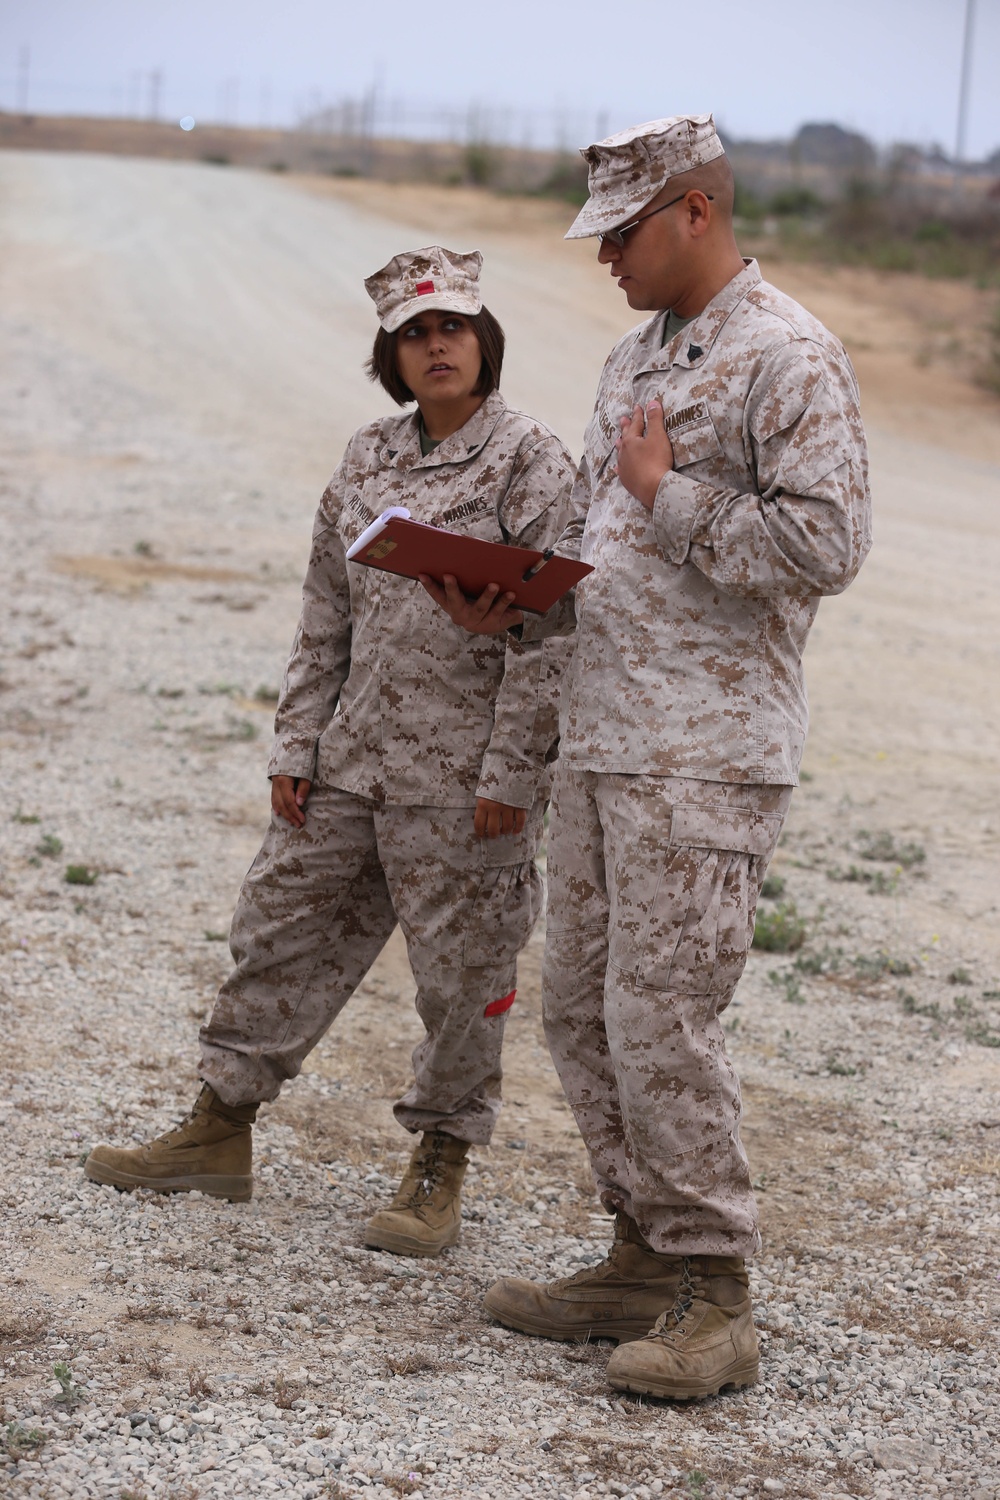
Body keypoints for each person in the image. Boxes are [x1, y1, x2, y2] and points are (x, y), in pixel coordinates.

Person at [421, 116, 871, 1394]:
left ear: (691, 209)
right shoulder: (632, 356)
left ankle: (715, 1295)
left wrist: (670, 496)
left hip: (706, 750)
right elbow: (596, 545)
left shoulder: (788, 355)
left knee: (663, 1018)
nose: (603, 254)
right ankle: (638, 1252)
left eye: (620, 229)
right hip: (605, 738)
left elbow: (829, 547)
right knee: (581, 1012)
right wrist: (516, 599)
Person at [85, 246, 576, 1258]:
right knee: (278, 929)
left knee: (459, 975)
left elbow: (557, 629)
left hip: (462, 782)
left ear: (484, 340)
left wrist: (511, 777)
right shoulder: (367, 460)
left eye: (450, 327)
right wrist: (296, 741)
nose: (434, 346)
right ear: (389, 357)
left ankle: (437, 1169)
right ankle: (218, 1128)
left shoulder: (532, 460)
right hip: (353, 759)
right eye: (412, 334)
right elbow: (324, 613)